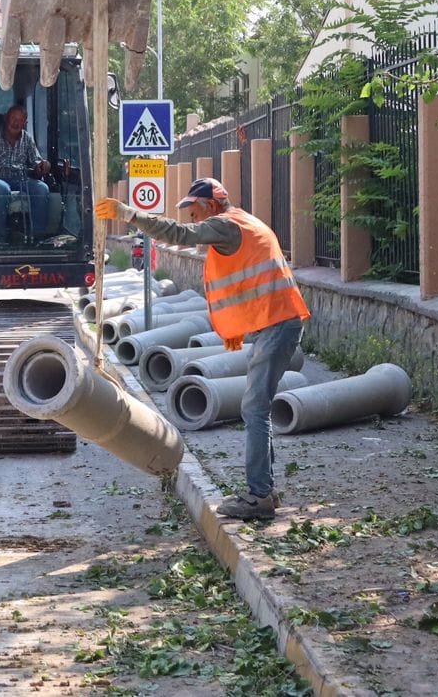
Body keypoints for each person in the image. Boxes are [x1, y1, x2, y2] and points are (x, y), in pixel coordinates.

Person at [94, 177, 309, 521]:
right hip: (276, 323)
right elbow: (247, 279)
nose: (192, 218)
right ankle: (264, 489)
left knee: (254, 408)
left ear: (209, 204)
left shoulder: (223, 225)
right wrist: (238, 325)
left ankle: (259, 496)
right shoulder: (243, 222)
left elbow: (180, 235)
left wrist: (130, 214)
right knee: (257, 407)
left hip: (277, 325)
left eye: (193, 209)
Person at [0, 103, 55, 243]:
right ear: (6, 118)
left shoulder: (27, 138)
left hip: (20, 178)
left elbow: (36, 162)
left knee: (41, 188)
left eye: (20, 120)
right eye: (13, 118)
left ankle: (38, 238)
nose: (16, 123)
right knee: (2, 188)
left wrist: (43, 166)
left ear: (25, 123)